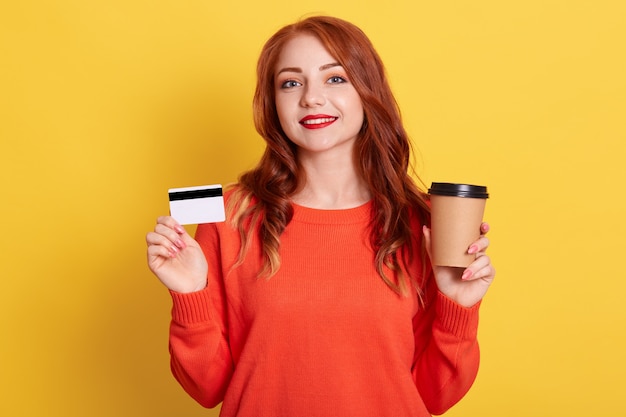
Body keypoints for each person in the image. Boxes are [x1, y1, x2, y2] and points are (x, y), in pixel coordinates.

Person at [146, 15, 495, 417]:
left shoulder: (424, 223)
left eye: (335, 78)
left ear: (367, 90)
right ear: (272, 102)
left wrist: (457, 307)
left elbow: (434, 398)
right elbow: (207, 388)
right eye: (291, 83)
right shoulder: (228, 214)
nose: (311, 98)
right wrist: (190, 294)